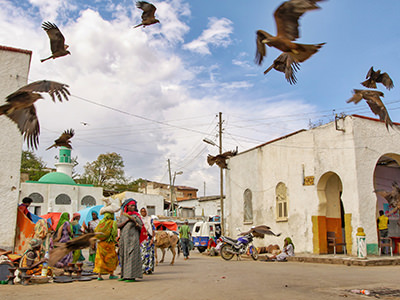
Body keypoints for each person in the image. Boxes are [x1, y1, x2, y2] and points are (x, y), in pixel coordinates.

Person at [118, 199, 146, 282]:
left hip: (133, 239)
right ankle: (124, 275)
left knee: (132, 257)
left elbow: (142, 228)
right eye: (131, 206)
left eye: (134, 206)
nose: (133, 207)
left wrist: (135, 223)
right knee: (123, 256)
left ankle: (131, 276)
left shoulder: (136, 216)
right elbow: (118, 225)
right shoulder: (123, 216)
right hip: (124, 239)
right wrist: (127, 221)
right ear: (127, 207)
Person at [93, 211, 118, 280]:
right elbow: (114, 233)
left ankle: (99, 275)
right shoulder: (113, 222)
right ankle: (111, 274)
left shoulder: (101, 222)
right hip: (109, 243)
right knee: (110, 258)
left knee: (100, 258)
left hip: (101, 243)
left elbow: (96, 230)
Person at [140, 207, 155, 275]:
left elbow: (153, 229)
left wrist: (152, 239)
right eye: (142, 211)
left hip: (149, 238)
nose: (143, 213)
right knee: (143, 254)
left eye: (144, 211)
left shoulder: (150, 219)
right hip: (142, 239)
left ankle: (149, 269)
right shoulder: (139, 220)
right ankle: (143, 269)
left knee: (150, 254)